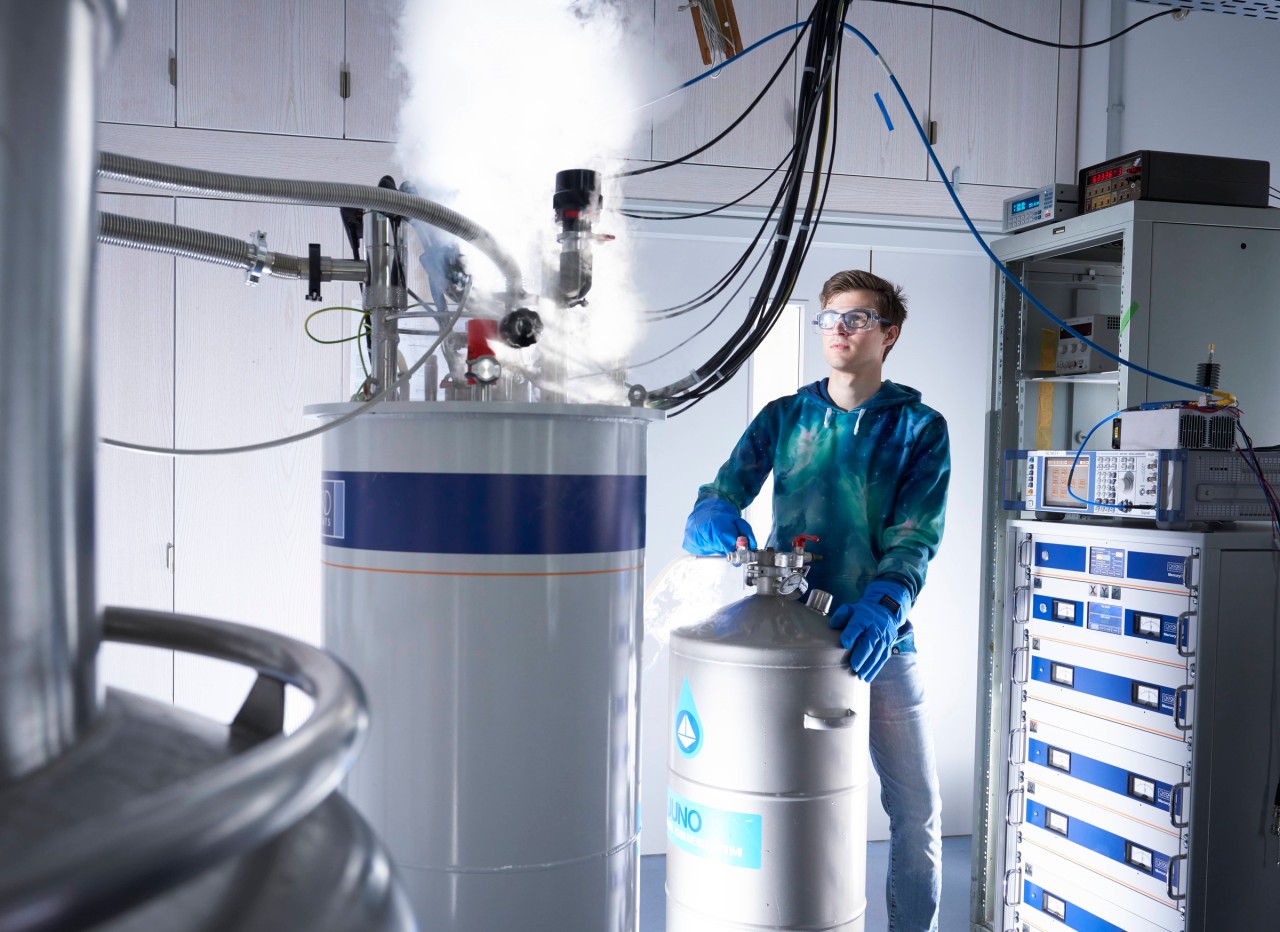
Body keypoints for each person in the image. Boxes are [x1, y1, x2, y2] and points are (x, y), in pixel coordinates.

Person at [682, 269, 950, 932]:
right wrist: (712, 515)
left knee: (915, 811)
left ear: (888, 335)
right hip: (784, 642)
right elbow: (720, 491)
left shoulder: (918, 429)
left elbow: (916, 535)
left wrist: (884, 605)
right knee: (774, 796)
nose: (839, 329)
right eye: (830, 317)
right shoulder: (785, 417)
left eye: (856, 318)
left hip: (874, 643)